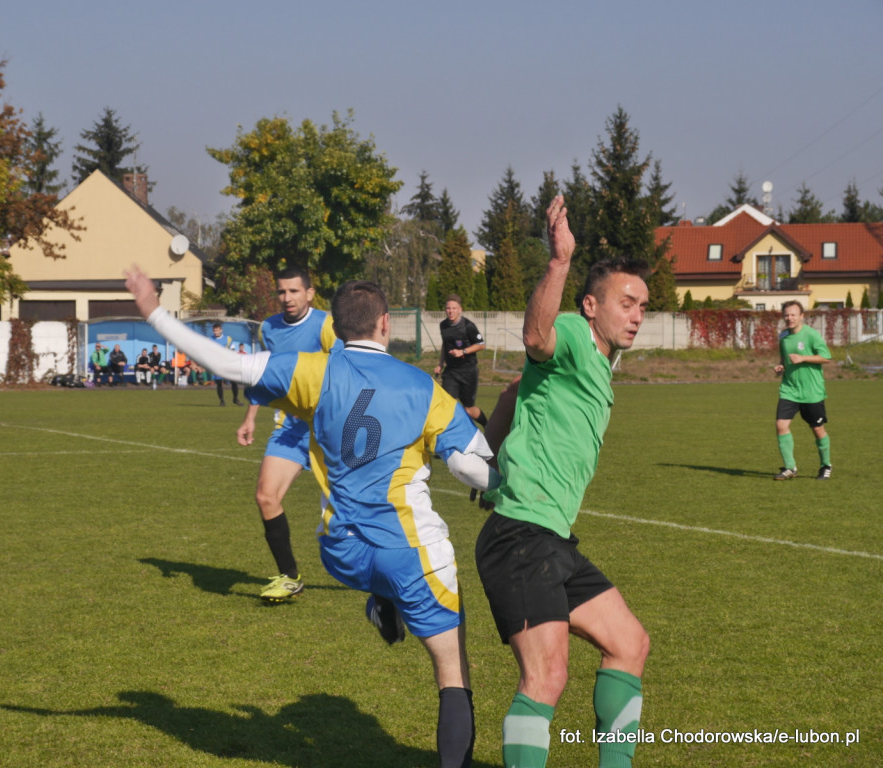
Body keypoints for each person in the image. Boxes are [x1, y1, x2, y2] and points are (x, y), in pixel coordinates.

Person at [125, 265, 499, 768]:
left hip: (339, 549)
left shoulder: (312, 370)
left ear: (336, 325)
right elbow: (469, 467)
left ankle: (382, 601)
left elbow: (225, 364)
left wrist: (153, 312)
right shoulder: (421, 387)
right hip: (408, 549)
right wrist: (503, 482)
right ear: (386, 323)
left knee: (372, 570)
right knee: (452, 669)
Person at [474, 196, 651, 768]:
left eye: (643, 306)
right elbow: (535, 337)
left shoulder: (600, 364)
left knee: (630, 644)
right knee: (546, 676)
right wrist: (559, 262)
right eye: (627, 302)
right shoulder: (574, 334)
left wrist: (484, 459)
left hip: (549, 539)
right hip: (522, 536)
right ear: (591, 304)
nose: (637, 314)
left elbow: (509, 393)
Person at [235, 266, 339, 603]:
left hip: (331, 429)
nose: (287, 298)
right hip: (291, 429)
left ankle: (392, 573)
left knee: (353, 513)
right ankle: (290, 577)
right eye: (282, 291)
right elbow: (266, 378)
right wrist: (250, 417)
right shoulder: (269, 329)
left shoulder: (327, 325)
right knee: (266, 496)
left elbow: (346, 371)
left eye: (294, 291)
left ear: (310, 293)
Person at [772, 301, 833, 480]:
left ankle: (825, 465)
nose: (789, 318)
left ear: (801, 316)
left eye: (793, 315)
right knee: (781, 425)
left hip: (811, 391)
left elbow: (826, 357)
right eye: (786, 315)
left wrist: (803, 358)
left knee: (817, 429)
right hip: (789, 389)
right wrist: (780, 366)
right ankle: (790, 467)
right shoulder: (783, 336)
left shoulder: (811, 335)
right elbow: (784, 359)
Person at [434, 295, 488, 428]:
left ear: (460, 310)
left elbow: (481, 344)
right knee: (448, 405)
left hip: (468, 372)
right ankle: (453, 437)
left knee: (469, 410)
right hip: (451, 372)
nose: (450, 311)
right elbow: (445, 345)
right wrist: (440, 364)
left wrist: (463, 351)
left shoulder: (468, 326)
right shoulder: (443, 325)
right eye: (448, 308)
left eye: (454, 308)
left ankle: (487, 425)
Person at [211, 321, 243, 406]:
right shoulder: (210, 340)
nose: (215, 332)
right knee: (219, 383)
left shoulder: (228, 339)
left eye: (217, 330)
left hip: (228, 364)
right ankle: (222, 401)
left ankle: (235, 399)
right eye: (214, 330)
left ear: (221, 330)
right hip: (217, 364)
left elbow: (232, 350)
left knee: (233, 381)